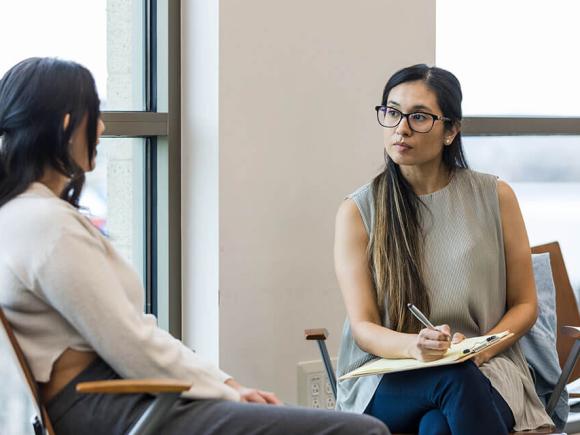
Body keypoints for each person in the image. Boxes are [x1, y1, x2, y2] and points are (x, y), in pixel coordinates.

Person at [0, 57, 389, 435]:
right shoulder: (48, 226)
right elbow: (131, 343)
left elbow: (134, 334)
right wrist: (228, 391)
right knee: (360, 430)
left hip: (106, 399)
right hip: (110, 405)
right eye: (94, 115)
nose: (100, 128)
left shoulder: (20, 216)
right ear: (68, 123)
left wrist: (226, 384)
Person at [333, 64, 554, 434]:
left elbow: (525, 305)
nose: (401, 128)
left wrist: (478, 351)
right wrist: (415, 347)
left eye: (419, 117)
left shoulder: (495, 197)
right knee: (452, 379)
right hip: (386, 376)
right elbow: (364, 328)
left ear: (451, 130)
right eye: (391, 112)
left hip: (487, 367)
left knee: (438, 425)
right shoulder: (358, 211)